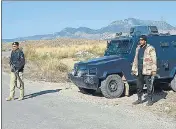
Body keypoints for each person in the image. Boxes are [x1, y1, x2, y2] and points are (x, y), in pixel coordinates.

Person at [131, 35, 157, 106]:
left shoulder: (150, 48)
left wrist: (154, 70)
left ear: (145, 41)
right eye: (140, 40)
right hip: (139, 69)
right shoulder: (138, 48)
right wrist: (133, 69)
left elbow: (154, 60)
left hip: (147, 70)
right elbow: (135, 59)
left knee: (149, 86)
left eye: (142, 40)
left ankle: (150, 100)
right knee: (139, 85)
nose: (140, 41)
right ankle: (139, 99)